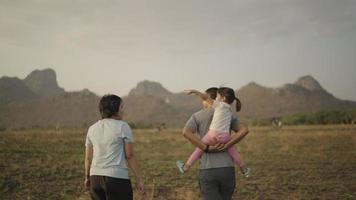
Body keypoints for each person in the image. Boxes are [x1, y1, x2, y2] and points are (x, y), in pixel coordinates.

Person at [178, 87, 249, 200]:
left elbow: (185, 132)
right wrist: (228, 144)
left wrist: (206, 148)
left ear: (208, 99)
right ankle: (244, 168)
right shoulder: (229, 113)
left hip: (207, 169)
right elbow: (244, 130)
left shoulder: (198, 116)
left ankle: (186, 166)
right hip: (227, 169)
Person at [84, 94, 146, 200]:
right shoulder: (123, 126)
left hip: (95, 178)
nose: (123, 110)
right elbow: (129, 155)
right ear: (114, 109)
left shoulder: (92, 129)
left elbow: (88, 158)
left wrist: (87, 177)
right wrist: (139, 179)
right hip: (117, 179)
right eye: (121, 107)